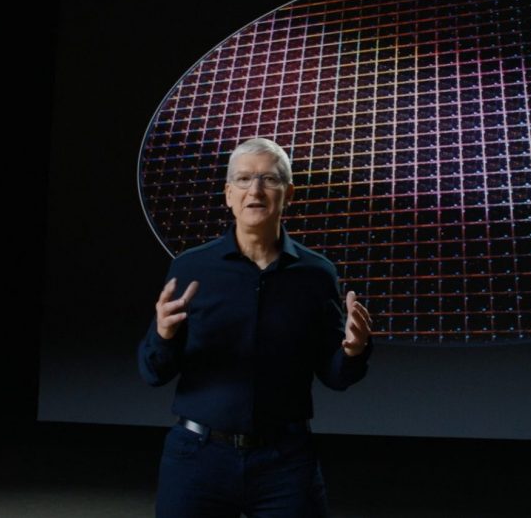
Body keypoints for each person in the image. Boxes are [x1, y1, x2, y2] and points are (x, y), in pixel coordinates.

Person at [138, 137, 373, 518]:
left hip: (286, 463)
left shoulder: (316, 274)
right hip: (198, 459)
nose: (256, 190)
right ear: (228, 194)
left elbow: (335, 377)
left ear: (289, 194)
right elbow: (153, 373)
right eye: (244, 179)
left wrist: (352, 350)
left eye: (270, 179)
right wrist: (163, 335)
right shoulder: (191, 268)